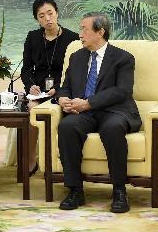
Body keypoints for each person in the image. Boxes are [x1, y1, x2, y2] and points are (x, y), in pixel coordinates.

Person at [55, 12, 141, 213]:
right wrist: (62, 99)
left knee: (112, 128)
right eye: (80, 29)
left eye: (84, 29)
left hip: (114, 111)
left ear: (100, 32)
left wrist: (88, 103)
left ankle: (119, 191)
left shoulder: (123, 58)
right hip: (84, 113)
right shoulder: (77, 57)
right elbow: (65, 87)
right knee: (67, 126)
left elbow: (122, 91)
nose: (80, 34)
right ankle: (75, 190)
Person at [21, 0, 79, 106]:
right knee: (32, 106)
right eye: (41, 16)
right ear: (37, 19)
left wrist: (57, 87)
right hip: (38, 92)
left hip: (63, 89)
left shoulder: (73, 38)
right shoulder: (32, 37)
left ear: (57, 12)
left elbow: (75, 71)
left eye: (50, 13)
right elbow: (26, 69)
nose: (47, 19)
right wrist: (31, 86)